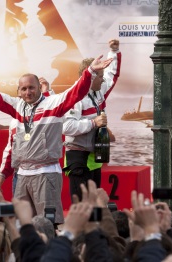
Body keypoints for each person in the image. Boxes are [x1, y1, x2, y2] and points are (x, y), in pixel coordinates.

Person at [0, 51, 113, 225]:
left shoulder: (53, 103)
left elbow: (76, 92)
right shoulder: (17, 106)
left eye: (31, 87)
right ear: (19, 91)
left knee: (47, 225)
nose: (28, 92)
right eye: (24, 89)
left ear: (38, 88)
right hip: (23, 174)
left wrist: (90, 72)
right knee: (21, 224)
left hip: (46, 173)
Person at [63, 39, 122, 202]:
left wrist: (114, 52)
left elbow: (112, 76)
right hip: (77, 155)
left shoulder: (97, 90)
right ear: (89, 77)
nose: (103, 80)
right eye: (100, 76)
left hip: (94, 155)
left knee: (95, 204)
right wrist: (93, 123)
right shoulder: (74, 96)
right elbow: (66, 127)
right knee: (82, 204)